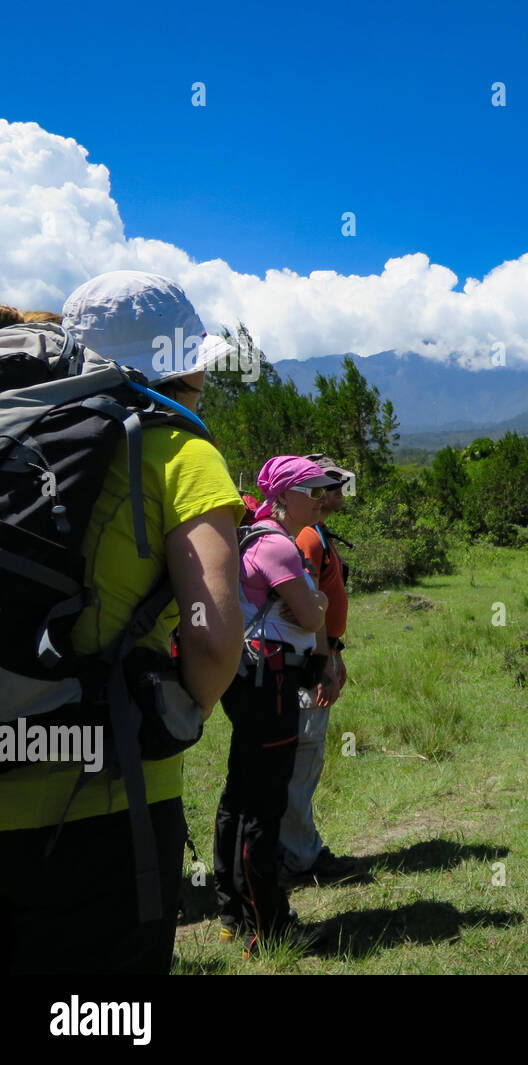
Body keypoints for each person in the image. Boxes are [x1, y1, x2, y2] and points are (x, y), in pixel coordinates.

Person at [0, 272, 245, 974]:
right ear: (183, 363)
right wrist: (174, 711)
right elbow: (213, 635)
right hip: (104, 808)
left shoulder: (14, 434)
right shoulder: (178, 451)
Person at [213, 456, 336, 957]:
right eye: (314, 490)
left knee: (240, 794)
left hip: (251, 680)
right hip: (274, 684)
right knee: (265, 803)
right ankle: (271, 929)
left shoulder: (255, 539)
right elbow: (310, 617)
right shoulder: (278, 547)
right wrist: (318, 608)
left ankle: (233, 913)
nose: (323, 497)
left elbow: (305, 615)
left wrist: (311, 612)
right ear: (285, 496)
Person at [280, 453, 361, 884]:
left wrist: (336, 650)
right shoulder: (309, 537)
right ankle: (299, 856)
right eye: (331, 484)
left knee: (305, 759)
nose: (339, 491)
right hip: (307, 664)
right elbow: (304, 607)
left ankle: (296, 848)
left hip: (318, 656)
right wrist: (323, 660)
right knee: (303, 757)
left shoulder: (318, 534)